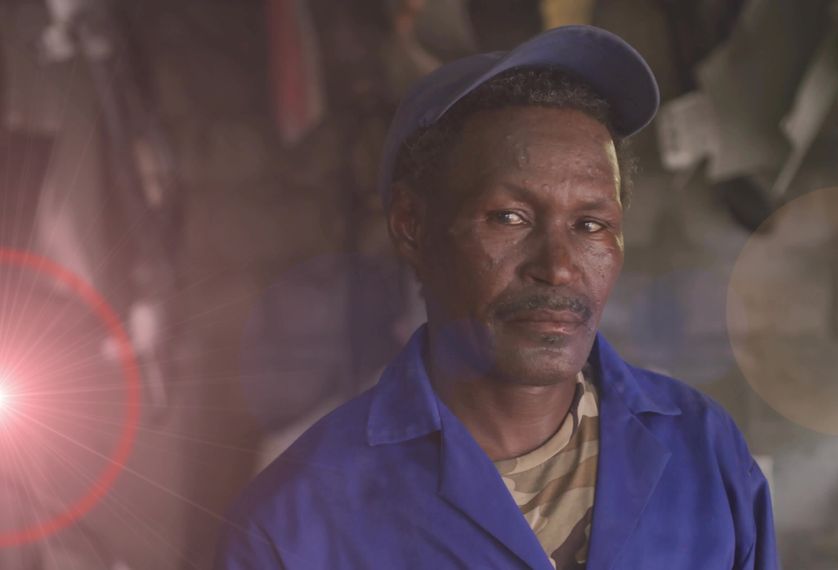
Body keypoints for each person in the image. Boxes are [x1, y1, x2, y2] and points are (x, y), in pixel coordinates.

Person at [215, 25, 778, 570]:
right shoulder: (297, 519)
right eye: (509, 217)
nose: (557, 268)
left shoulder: (702, 449)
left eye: (590, 224)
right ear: (413, 226)